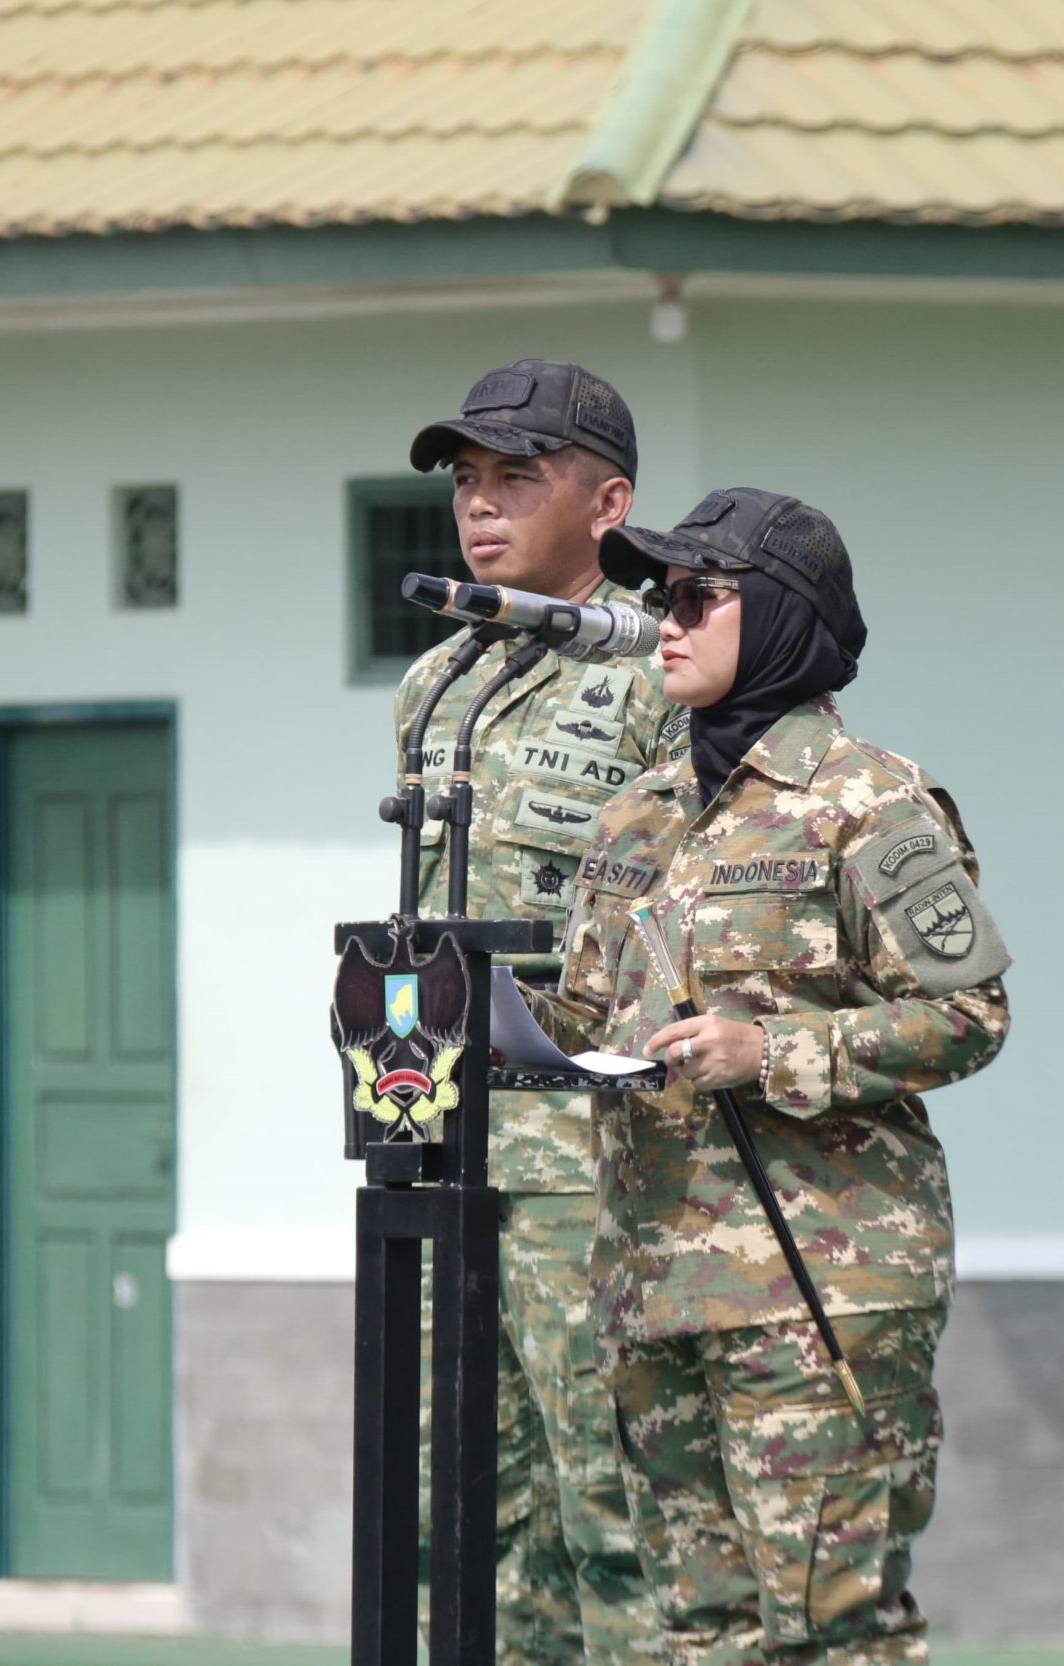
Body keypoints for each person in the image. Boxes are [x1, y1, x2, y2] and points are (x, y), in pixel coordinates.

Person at [533, 487, 1012, 1666]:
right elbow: (588, 1016)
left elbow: (970, 1014)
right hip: (654, 1283)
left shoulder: (867, 800)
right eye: (659, 598)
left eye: (697, 596)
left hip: (817, 1287)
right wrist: (479, 1020)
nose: (666, 622)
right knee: (702, 1632)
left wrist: (773, 1050)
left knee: (830, 1631)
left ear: (785, 615)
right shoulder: (635, 818)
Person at [397, 358, 673, 1666]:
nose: (480, 505)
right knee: (462, 1503)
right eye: (466, 479)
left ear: (608, 503)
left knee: (606, 1500)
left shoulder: (662, 673)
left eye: (516, 476)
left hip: (588, 1163)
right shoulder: (437, 681)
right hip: (439, 1137)